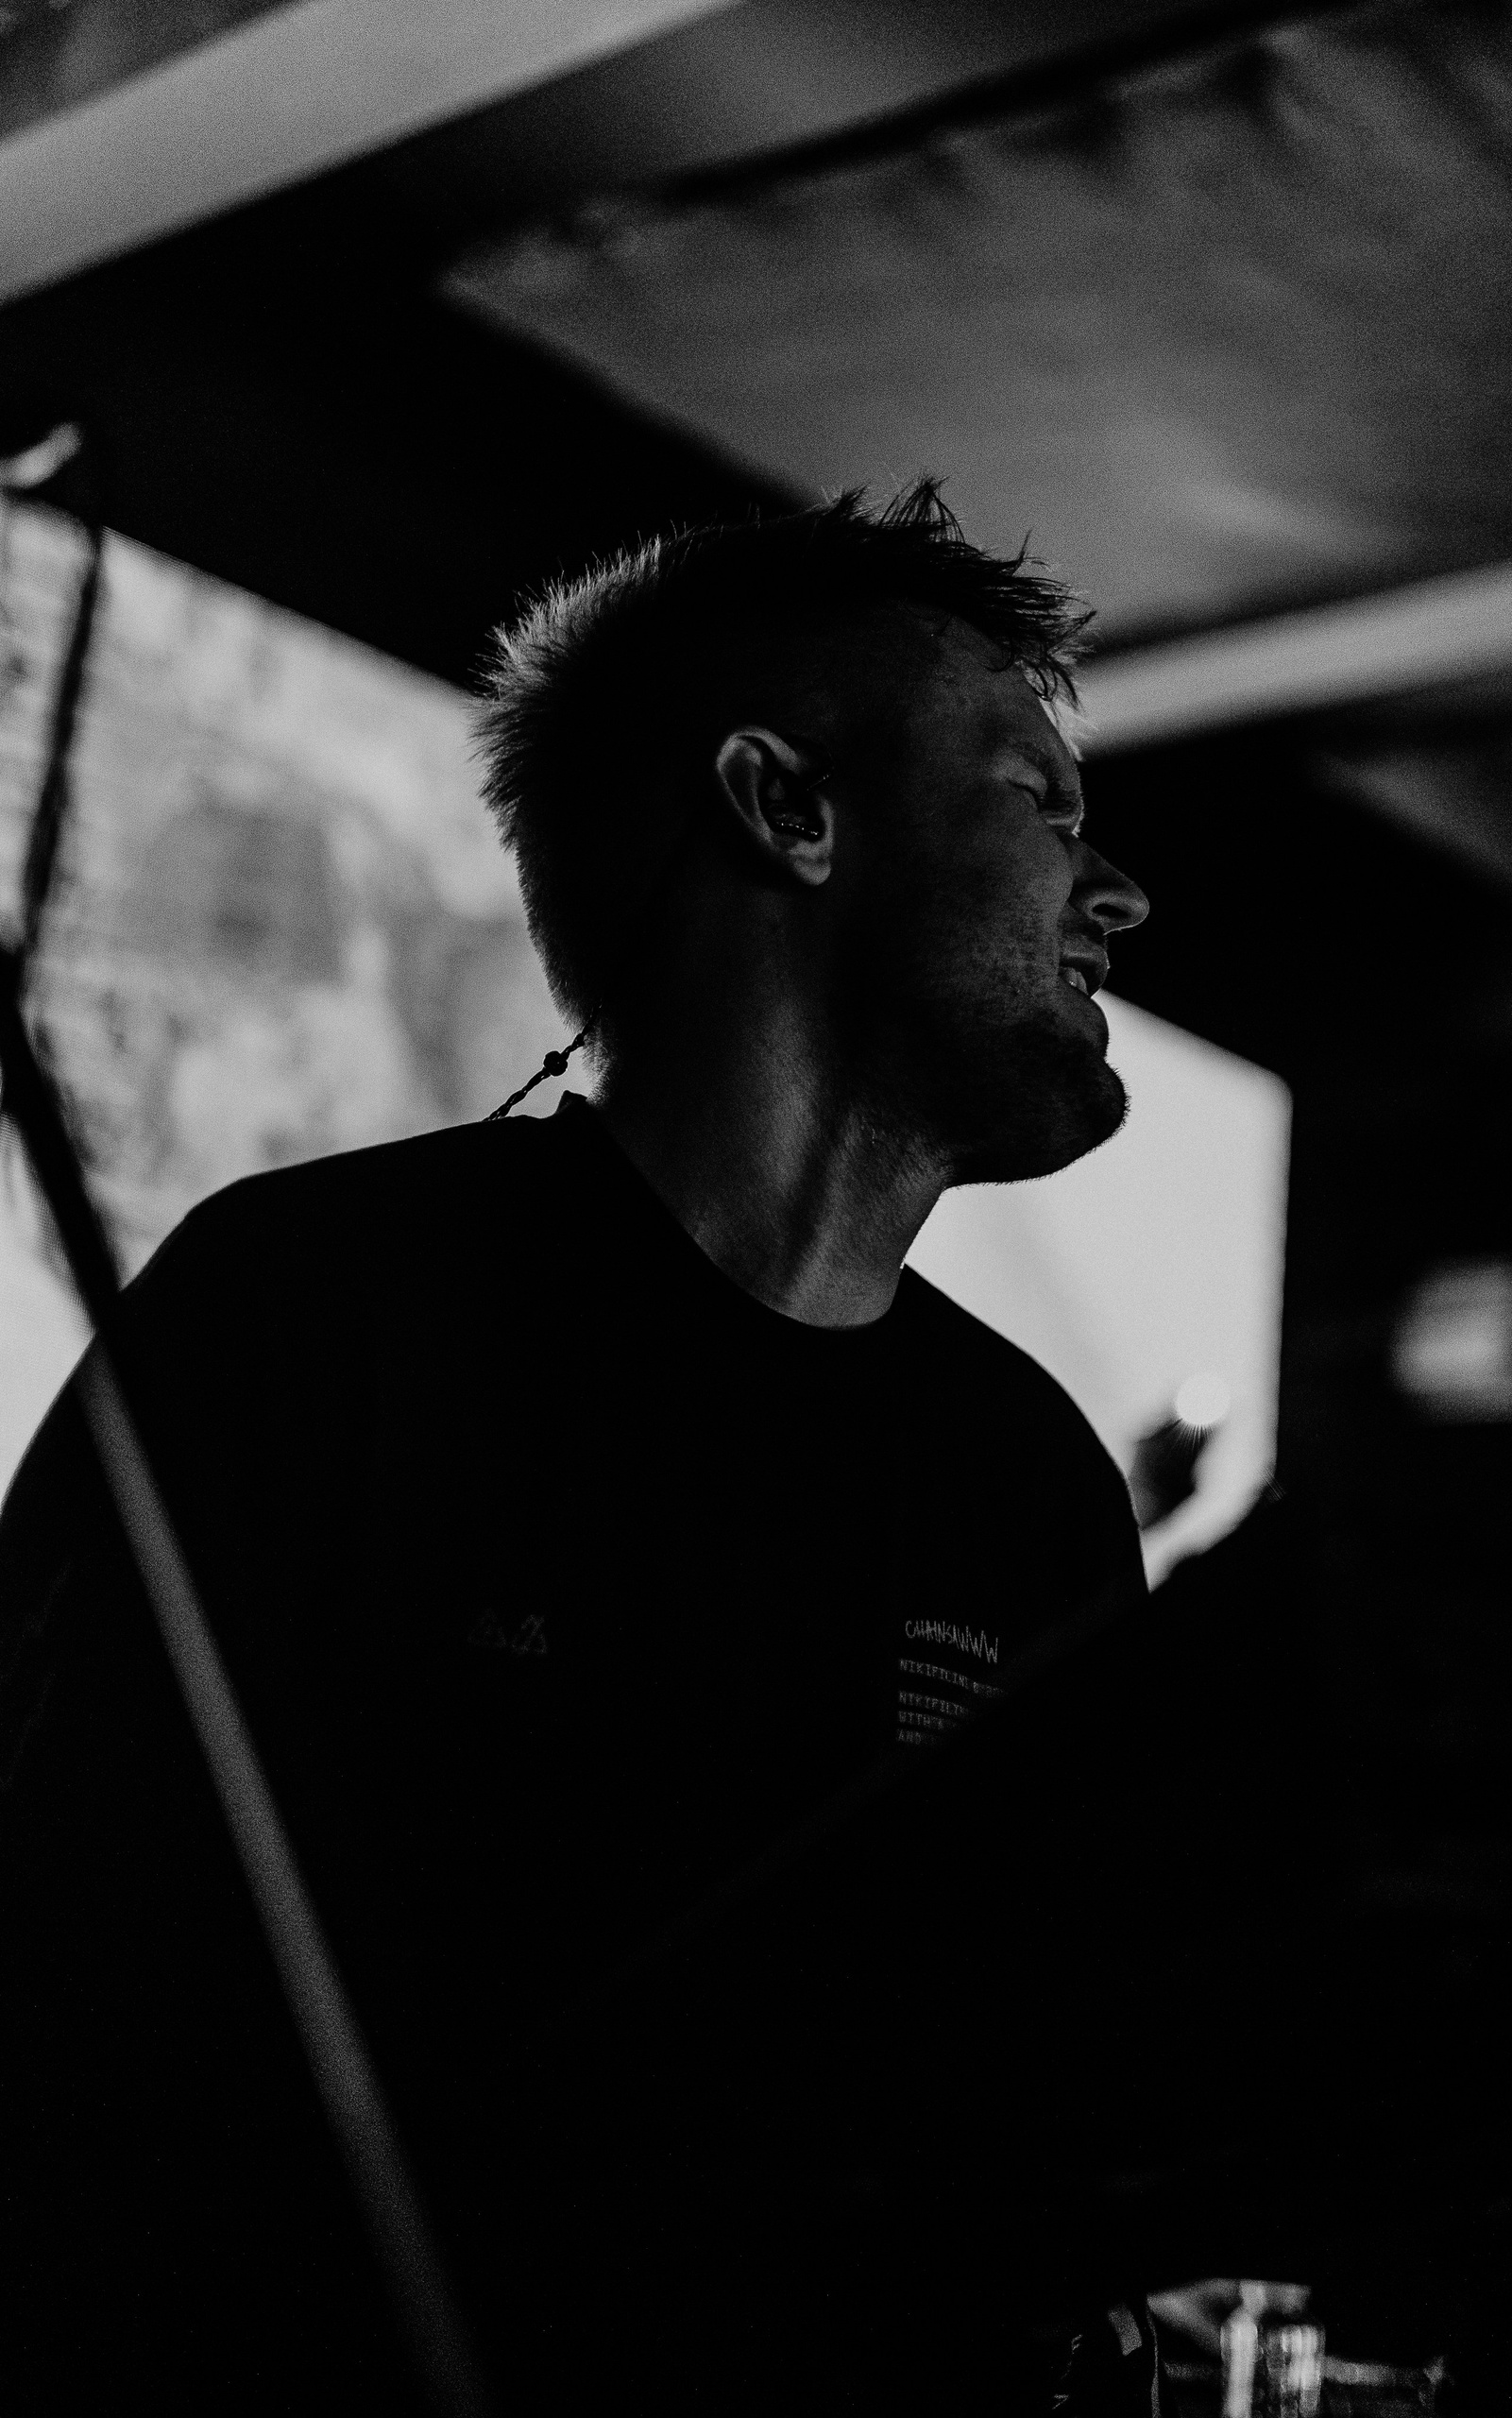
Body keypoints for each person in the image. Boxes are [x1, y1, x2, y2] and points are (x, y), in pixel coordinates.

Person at [0, 483, 1149, 2410]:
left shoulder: (1029, 1486)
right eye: (1039, 798)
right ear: (786, 806)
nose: (1116, 895)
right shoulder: (314, 1315)